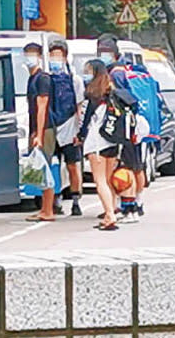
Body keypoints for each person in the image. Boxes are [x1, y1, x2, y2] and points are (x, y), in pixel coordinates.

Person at [98, 35, 147, 222]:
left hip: (123, 128)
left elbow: (121, 102)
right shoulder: (122, 70)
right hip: (129, 127)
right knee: (132, 167)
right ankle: (133, 205)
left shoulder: (116, 74)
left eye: (106, 53)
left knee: (126, 169)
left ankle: (130, 208)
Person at [75, 59, 119, 230]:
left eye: (88, 71)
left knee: (99, 181)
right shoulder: (112, 92)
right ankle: (112, 209)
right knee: (108, 180)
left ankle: (110, 214)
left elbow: (85, 121)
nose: (85, 74)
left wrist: (80, 136)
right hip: (113, 140)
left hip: (97, 142)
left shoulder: (92, 94)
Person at [48, 40, 85, 216]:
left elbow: (79, 106)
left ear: (65, 57)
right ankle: (55, 200)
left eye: (58, 56)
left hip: (69, 127)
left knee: (72, 166)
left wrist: (79, 131)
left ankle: (76, 201)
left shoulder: (74, 80)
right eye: (52, 55)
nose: (55, 59)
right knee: (53, 165)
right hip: (52, 127)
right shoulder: (46, 79)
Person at [24, 43, 56, 222]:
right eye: (27, 54)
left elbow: (42, 108)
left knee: (45, 167)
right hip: (36, 128)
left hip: (45, 128)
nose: (28, 58)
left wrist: (39, 134)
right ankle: (44, 208)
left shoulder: (43, 78)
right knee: (39, 168)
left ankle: (48, 210)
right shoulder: (32, 78)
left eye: (32, 54)